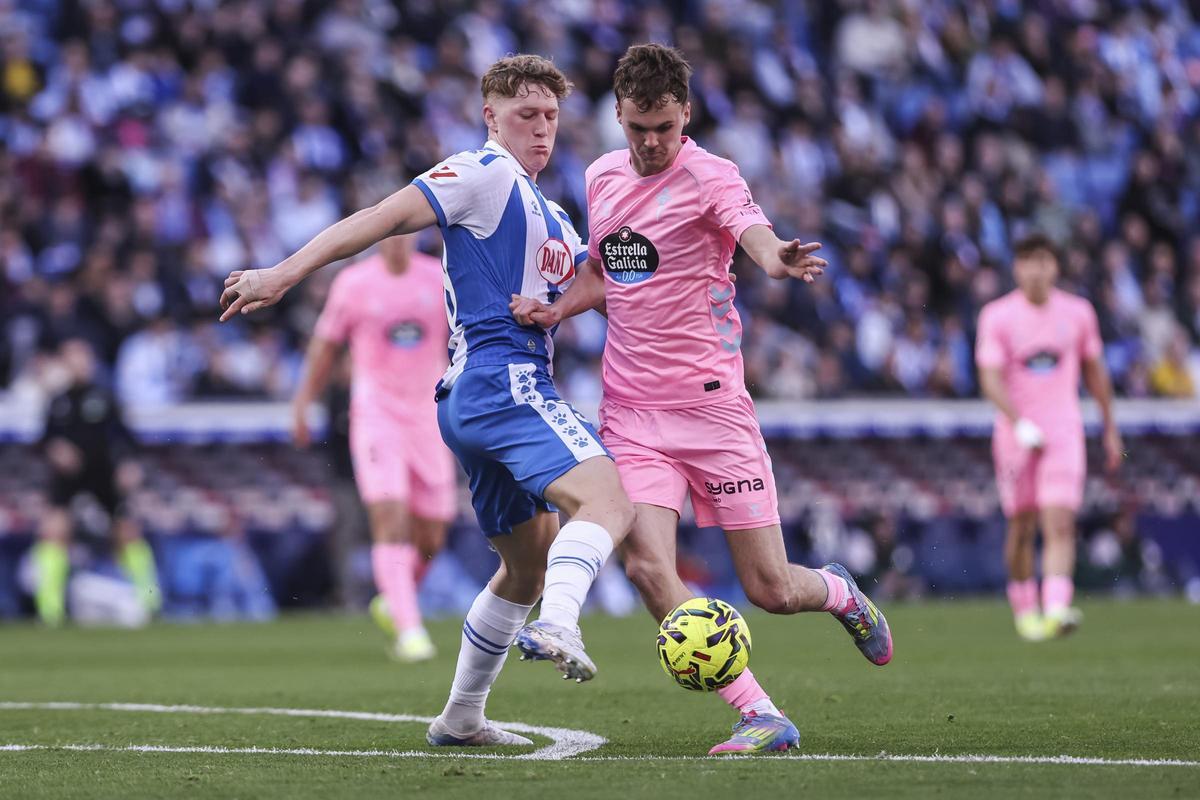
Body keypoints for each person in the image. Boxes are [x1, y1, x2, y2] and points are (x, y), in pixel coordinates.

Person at [219, 54, 634, 747]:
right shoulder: (481, 172)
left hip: (478, 398)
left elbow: (599, 280)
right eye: (525, 115)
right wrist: (283, 273)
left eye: (551, 117)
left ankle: (461, 717)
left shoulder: (555, 214)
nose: (540, 130)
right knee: (607, 501)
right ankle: (560, 623)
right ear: (490, 116)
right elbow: (383, 217)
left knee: (527, 566)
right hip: (503, 383)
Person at [510, 44, 892, 756]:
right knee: (652, 568)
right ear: (618, 119)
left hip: (714, 412)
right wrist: (554, 308)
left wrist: (774, 254)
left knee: (771, 589)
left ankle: (839, 591)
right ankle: (760, 713)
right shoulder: (601, 176)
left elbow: (750, 228)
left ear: (685, 113)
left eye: (663, 127)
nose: (651, 144)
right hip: (632, 416)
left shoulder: (713, 175)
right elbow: (609, 270)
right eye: (636, 129)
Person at [291, 233, 454, 662]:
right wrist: (303, 402)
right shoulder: (354, 283)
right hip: (377, 417)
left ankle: (394, 600)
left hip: (429, 417)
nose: (399, 239)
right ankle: (410, 631)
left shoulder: (438, 276)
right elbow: (325, 346)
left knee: (434, 531)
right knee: (389, 515)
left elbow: (463, 336)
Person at [975, 233, 1123, 641]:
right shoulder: (997, 316)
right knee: (1021, 525)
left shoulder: (1077, 313)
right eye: (1028, 260)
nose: (1036, 269)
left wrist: (1110, 426)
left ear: (1055, 266)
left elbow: (1095, 372)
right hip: (1015, 435)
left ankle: (1057, 608)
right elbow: (989, 378)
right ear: (1016, 267)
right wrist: (1018, 421)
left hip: (1063, 431)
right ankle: (1026, 612)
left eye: (1044, 260)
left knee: (1059, 519)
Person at [33, 337, 160, 626]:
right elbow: (45, 439)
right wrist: (56, 449)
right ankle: (49, 609)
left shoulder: (105, 396)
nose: (80, 364)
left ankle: (150, 601)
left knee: (126, 533)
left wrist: (128, 465)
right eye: (73, 357)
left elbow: (125, 437)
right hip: (69, 477)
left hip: (103, 473)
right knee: (54, 530)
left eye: (84, 357)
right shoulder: (58, 401)